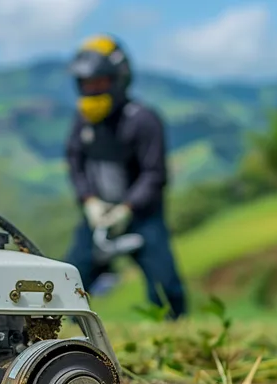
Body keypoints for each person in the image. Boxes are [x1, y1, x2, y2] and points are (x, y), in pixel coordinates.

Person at [63, 34, 187, 320]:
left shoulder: (143, 120)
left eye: (99, 83)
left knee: (165, 285)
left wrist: (127, 209)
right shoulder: (82, 121)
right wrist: (89, 200)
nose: (92, 91)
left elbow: (155, 174)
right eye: (85, 85)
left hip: (142, 219)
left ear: (118, 79)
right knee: (69, 283)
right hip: (98, 217)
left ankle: (176, 329)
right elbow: (74, 161)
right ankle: (58, 337)